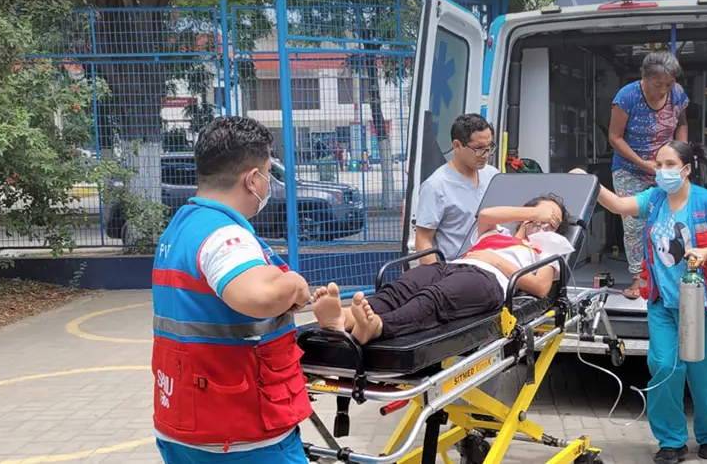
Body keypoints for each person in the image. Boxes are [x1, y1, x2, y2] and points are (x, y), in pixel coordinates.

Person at [150, 116, 313, 463]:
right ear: (253, 179)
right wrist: (294, 285)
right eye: (268, 175)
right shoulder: (225, 235)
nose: (268, 185)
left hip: (184, 422)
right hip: (239, 436)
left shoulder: (181, 228)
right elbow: (258, 297)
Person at [573, 141, 707, 463]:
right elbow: (619, 206)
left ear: (686, 169)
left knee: (703, 373)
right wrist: (589, 183)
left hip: (700, 303)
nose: (662, 171)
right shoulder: (655, 199)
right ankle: (671, 440)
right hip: (662, 303)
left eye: (669, 164)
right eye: (658, 164)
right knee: (663, 367)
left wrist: (706, 253)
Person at [312, 194, 572, 343]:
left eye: (553, 221)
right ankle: (343, 319)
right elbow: (486, 215)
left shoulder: (548, 247)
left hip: (489, 280)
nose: (546, 224)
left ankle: (378, 326)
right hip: (453, 265)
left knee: (436, 297)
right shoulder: (499, 230)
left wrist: (495, 261)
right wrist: (535, 212)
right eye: (543, 216)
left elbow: (540, 287)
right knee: (405, 286)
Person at [609, 51, 689, 299]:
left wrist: (679, 154)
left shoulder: (677, 94)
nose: (665, 89)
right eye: (659, 84)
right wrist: (644, 164)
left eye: (669, 83)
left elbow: (682, 124)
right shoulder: (627, 96)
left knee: (670, 219)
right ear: (644, 78)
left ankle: (669, 274)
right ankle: (638, 278)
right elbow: (614, 137)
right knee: (634, 224)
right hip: (630, 169)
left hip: (666, 166)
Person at [413, 113, 500, 265]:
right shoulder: (436, 186)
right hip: (457, 268)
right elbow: (423, 241)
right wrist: (437, 278)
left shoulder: (493, 176)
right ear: (457, 146)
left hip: (495, 261)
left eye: (489, 147)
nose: (485, 155)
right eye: (479, 148)